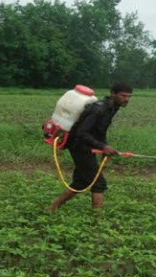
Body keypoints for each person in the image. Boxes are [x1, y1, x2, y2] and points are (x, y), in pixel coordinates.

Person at [49, 83, 133, 211]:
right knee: (99, 184)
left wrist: (104, 147)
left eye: (129, 96)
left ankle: (53, 207)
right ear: (113, 94)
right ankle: (96, 221)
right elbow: (81, 133)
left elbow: (100, 131)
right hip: (79, 147)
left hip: (87, 146)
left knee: (80, 182)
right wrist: (103, 146)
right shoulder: (99, 109)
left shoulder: (112, 108)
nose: (126, 99)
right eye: (123, 95)